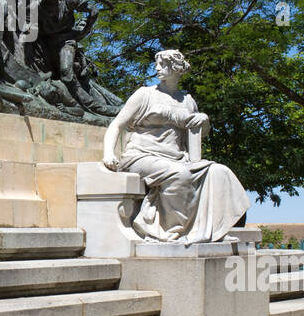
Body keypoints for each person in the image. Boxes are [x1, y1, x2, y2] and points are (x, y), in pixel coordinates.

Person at [102, 48, 249, 243]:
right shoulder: (145, 94)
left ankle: (211, 230)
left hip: (177, 157)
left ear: (177, 68)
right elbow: (117, 124)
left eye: (163, 65)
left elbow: (197, 134)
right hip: (141, 156)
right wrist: (108, 153)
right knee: (179, 174)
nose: (157, 68)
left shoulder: (187, 101)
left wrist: (204, 121)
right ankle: (172, 231)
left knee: (219, 172)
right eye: (157, 64)